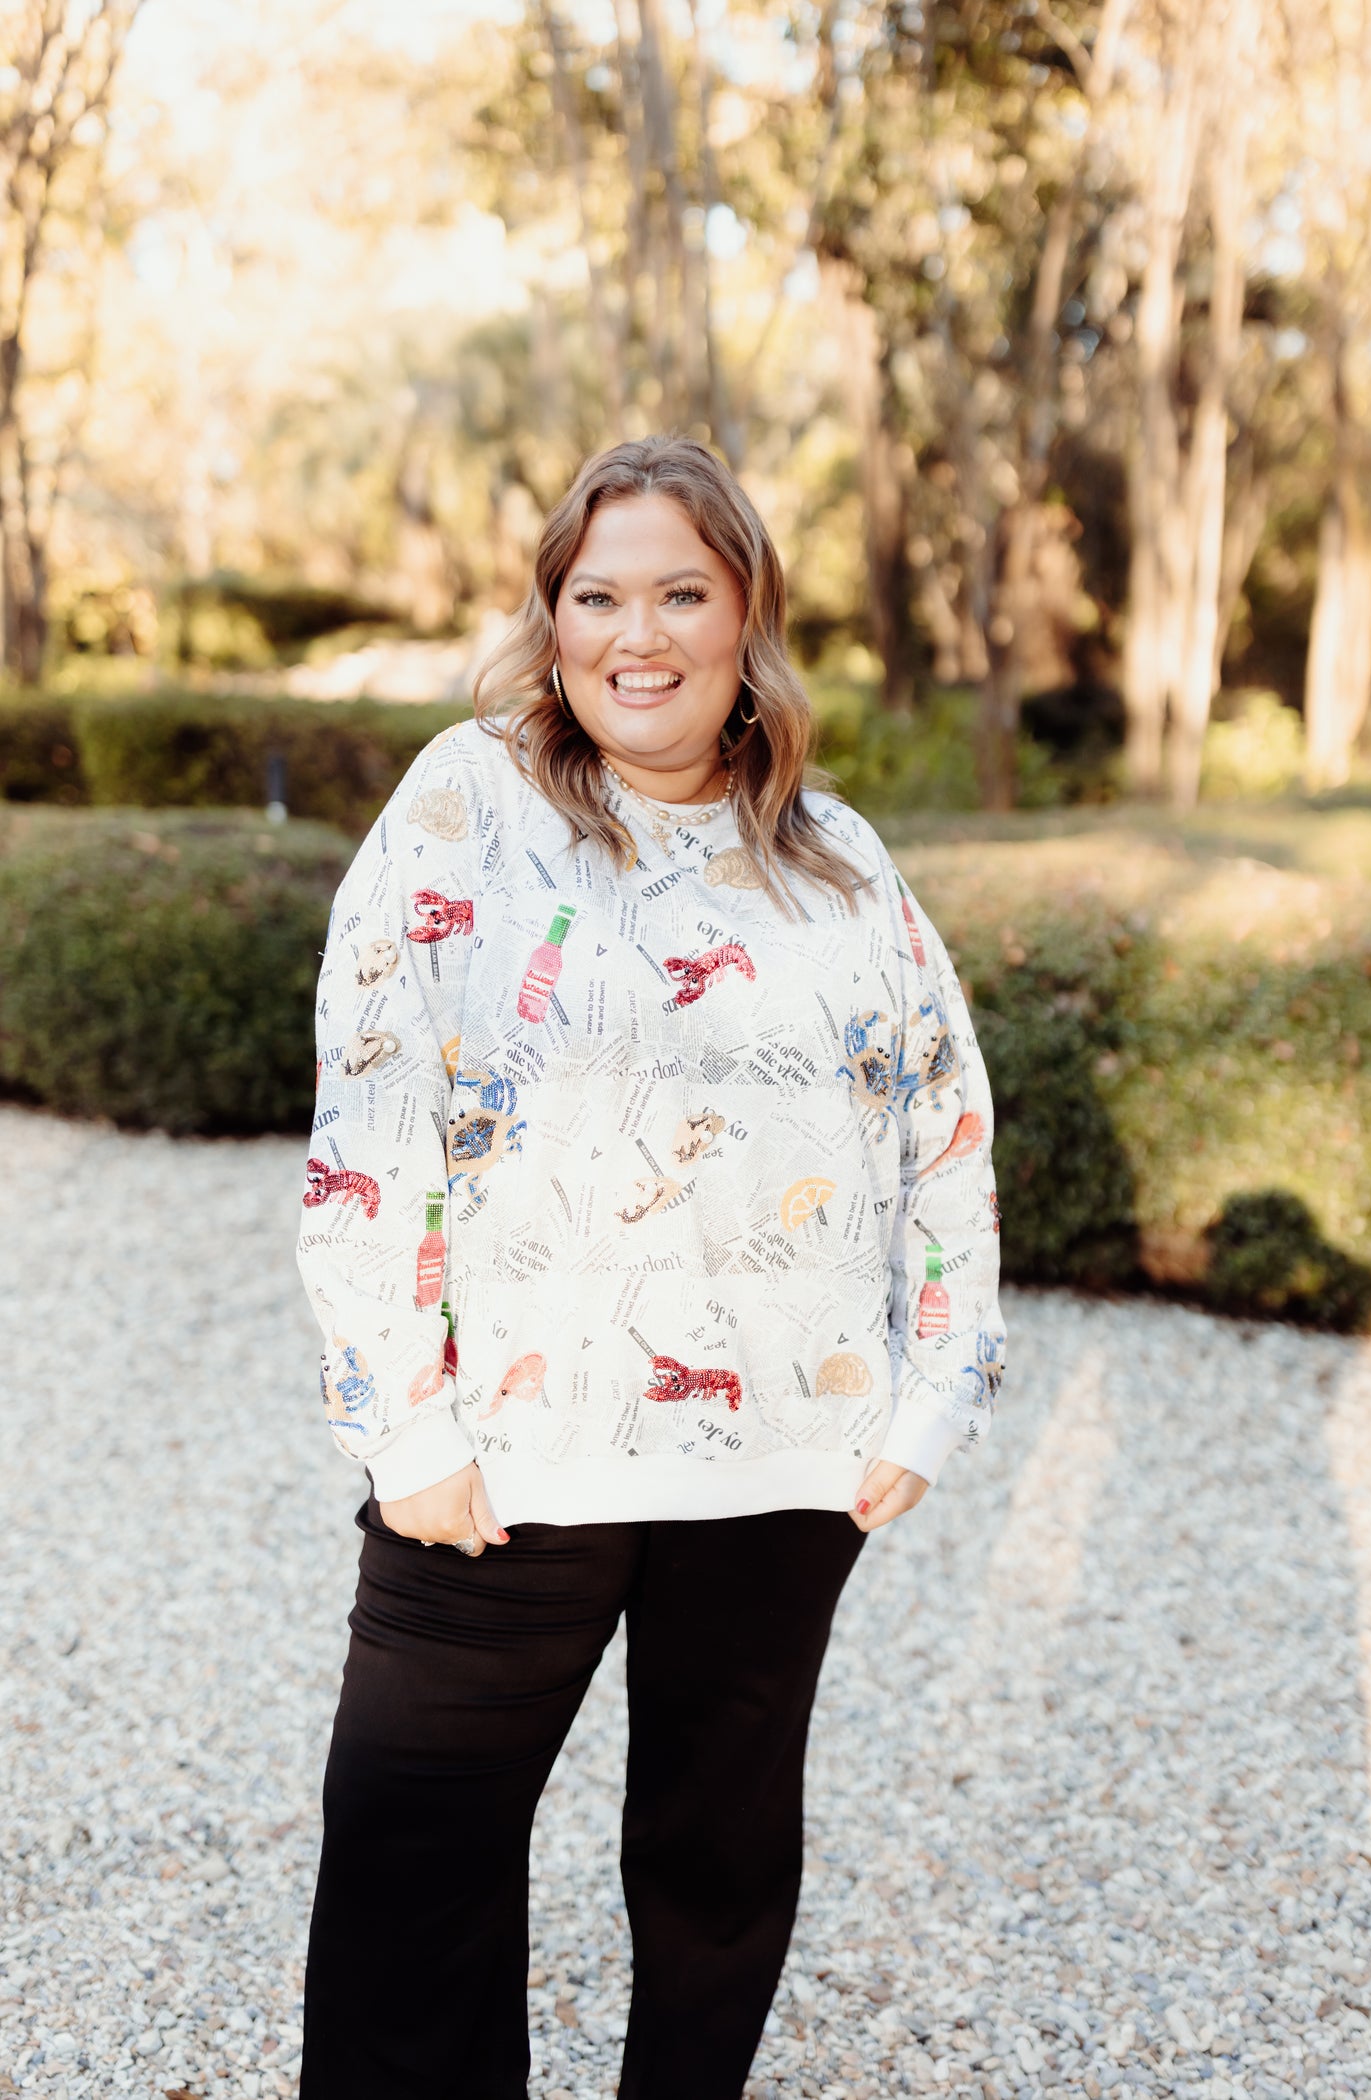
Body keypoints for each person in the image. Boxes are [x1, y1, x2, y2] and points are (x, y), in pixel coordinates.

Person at [294, 432, 1005, 2100]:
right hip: (509, 1458)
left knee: (718, 1865)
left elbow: (943, 1125)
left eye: (682, 590)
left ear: (745, 611)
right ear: (552, 625)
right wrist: (408, 1426)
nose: (640, 633)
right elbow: (370, 1118)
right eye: (597, 594)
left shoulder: (837, 858)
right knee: (410, 1858)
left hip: (779, 1459)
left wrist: (931, 1396)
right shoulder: (461, 807)